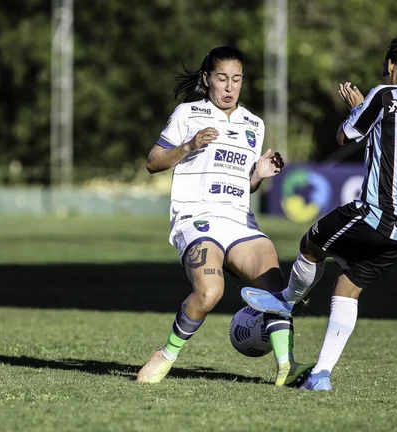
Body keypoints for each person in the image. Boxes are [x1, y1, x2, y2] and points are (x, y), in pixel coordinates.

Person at [241, 36, 397, 390]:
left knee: (311, 244)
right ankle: (320, 375)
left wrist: (358, 110)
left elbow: (343, 136)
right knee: (347, 285)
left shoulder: (383, 95)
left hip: (375, 214)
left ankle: (285, 301)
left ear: (392, 65)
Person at [136, 45, 313, 386]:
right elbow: (152, 162)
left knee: (275, 281)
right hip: (195, 219)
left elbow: (243, 187)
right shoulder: (187, 114)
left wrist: (259, 174)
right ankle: (166, 354)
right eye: (222, 78)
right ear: (207, 79)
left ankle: (286, 367)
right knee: (210, 292)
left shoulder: (253, 124)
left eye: (237, 79)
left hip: (238, 221)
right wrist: (189, 146)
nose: (230, 87)